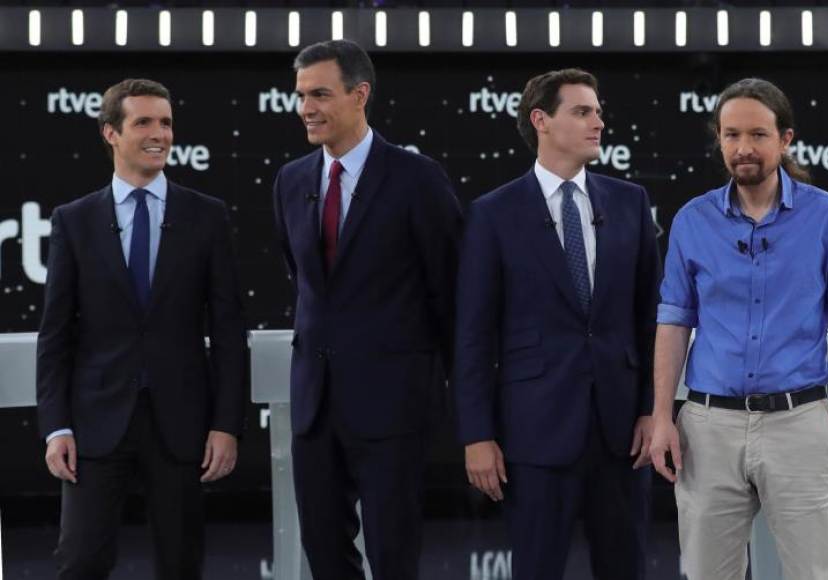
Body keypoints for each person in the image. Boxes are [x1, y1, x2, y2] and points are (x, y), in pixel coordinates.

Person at [649, 77, 828, 580]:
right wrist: (663, 415)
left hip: (800, 423)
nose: (743, 148)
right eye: (731, 135)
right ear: (720, 140)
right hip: (708, 427)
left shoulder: (825, 215)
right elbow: (673, 322)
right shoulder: (693, 220)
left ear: (785, 139)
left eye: (757, 135)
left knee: (814, 574)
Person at [36, 78, 247, 580]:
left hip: (183, 424)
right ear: (111, 133)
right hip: (95, 420)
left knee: (180, 563)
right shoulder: (75, 220)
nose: (160, 134)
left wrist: (226, 425)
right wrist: (56, 426)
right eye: (144, 122)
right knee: (81, 560)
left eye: (167, 122)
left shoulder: (207, 216)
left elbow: (229, 329)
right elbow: (56, 334)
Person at [453, 68, 660, 580]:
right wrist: (477, 435)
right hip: (534, 432)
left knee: (626, 567)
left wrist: (654, 412)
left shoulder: (630, 202)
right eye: (583, 111)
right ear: (541, 120)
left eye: (599, 111)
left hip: (621, 434)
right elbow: (474, 335)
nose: (599, 122)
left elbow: (652, 320)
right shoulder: (493, 214)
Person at [272, 40, 462, 580]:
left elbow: (449, 293)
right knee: (325, 553)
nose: (307, 107)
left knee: (393, 554)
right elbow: (307, 282)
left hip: (393, 405)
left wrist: (459, 396)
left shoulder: (417, 179)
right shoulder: (291, 181)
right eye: (301, 95)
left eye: (321, 94)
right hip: (315, 405)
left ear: (360, 95)